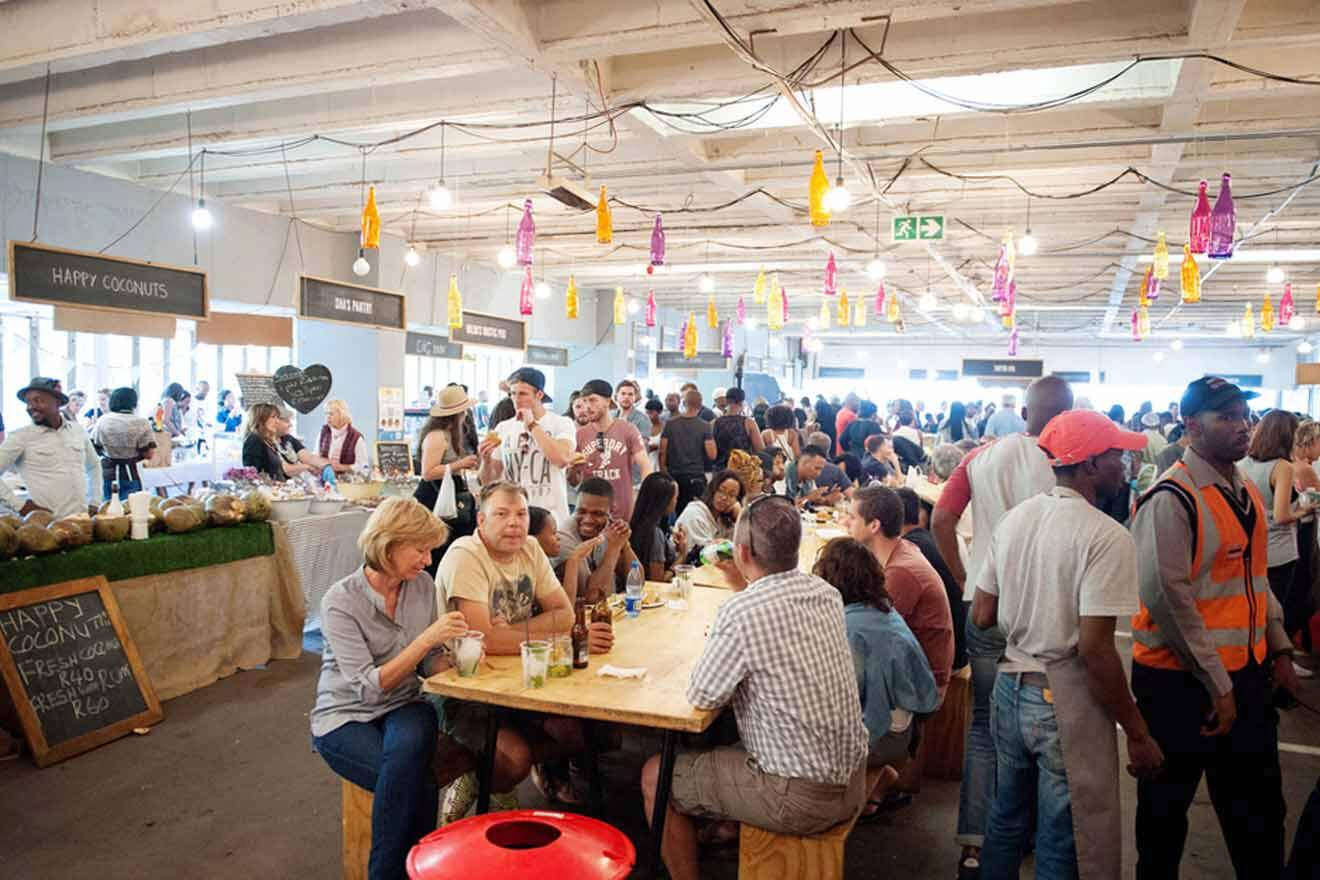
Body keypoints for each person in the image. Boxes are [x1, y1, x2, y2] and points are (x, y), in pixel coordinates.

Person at [970, 410, 1162, 878]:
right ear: (1090, 464)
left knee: (1006, 819)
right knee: (1063, 837)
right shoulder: (1105, 536)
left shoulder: (1015, 520)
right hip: (1062, 699)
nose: (1127, 466)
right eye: (1117, 456)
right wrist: (1137, 732)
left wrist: (1029, 619)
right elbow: (1095, 650)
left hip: (1010, 690)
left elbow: (982, 614)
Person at [639, 495, 869, 880]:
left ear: (741, 550)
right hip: (852, 776)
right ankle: (724, 826)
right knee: (728, 735)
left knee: (655, 774)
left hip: (802, 797)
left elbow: (702, 696)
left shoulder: (742, 612)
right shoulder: (825, 594)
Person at [1130, 377, 1299, 878]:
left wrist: (1281, 651)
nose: (1241, 426)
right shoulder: (1171, 498)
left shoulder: (1244, 488)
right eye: (1226, 417)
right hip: (1179, 686)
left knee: (1261, 817)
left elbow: (1255, 576)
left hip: (1244, 677)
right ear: (1190, 426)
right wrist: (1218, 685)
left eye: (1243, 415)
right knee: (1163, 820)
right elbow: (1169, 601)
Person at [931, 373, 1072, 877]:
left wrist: (964, 577)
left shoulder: (980, 457)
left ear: (1026, 412)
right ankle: (1027, 837)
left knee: (986, 730)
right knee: (1046, 730)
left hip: (984, 606)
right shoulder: (1073, 461)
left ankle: (975, 842)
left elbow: (941, 521)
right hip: (1047, 612)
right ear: (1069, 411)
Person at [311, 498, 469, 880]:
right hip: (344, 716)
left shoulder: (420, 586)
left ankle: (400, 873)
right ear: (388, 544)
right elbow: (368, 689)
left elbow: (427, 660)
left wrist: (456, 663)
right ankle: (403, 873)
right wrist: (426, 640)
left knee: (408, 755)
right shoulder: (340, 601)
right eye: (421, 549)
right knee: (415, 779)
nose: (428, 560)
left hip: (404, 704)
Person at [436, 482, 614, 822]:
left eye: (520, 514)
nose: (515, 523)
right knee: (514, 759)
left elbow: (564, 614)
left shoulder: (531, 548)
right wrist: (543, 639)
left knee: (587, 730)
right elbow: (480, 642)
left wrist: (510, 634)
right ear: (481, 520)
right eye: (502, 514)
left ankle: (487, 780)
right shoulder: (466, 555)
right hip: (465, 685)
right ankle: (485, 786)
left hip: (519, 674)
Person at [812, 537, 940, 820]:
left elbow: (837, 699)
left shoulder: (849, 628)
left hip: (879, 738)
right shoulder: (884, 612)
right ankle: (881, 782)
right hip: (902, 731)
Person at [846, 486, 954, 699]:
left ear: (874, 525)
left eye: (851, 517)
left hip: (924, 686)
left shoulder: (901, 572)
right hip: (914, 669)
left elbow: (872, 635)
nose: (845, 522)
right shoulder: (901, 548)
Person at [1241, 409, 1310, 656]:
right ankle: (1277, 664)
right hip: (1279, 551)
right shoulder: (1282, 467)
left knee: (1254, 610)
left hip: (1250, 548)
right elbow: (1281, 516)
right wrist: (1305, 510)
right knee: (1276, 613)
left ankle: (1262, 661)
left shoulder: (1242, 464)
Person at [478, 368, 576, 527]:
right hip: (514, 519)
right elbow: (489, 482)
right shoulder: (503, 428)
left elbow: (562, 458)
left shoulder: (561, 423)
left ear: (539, 395)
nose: (516, 399)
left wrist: (531, 425)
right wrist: (486, 460)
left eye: (523, 394)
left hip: (551, 519)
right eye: (512, 393)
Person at [0, 377, 101, 517]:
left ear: (57, 402)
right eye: (28, 402)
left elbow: (94, 465)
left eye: (38, 400)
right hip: (45, 528)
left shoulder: (77, 431)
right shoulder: (20, 437)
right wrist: (20, 505)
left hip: (81, 523)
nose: (31, 407)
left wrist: (95, 501)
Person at [897, 488, 967, 671]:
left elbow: (891, 613)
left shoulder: (911, 551)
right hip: (958, 646)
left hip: (946, 660)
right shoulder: (927, 540)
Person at [413, 387, 481, 569]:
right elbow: (428, 472)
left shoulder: (452, 434)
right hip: (437, 497)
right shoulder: (437, 436)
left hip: (448, 495)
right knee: (440, 547)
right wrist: (460, 464)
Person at [572, 379, 651, 520]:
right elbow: (574, 480)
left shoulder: (628, 430)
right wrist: (572, 469)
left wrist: (642, 498)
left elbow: (645, 466)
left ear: (608, 402)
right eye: (584, 401)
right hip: (591, 514)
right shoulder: (580, 435)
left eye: (593, 400)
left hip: (621, 511)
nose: (587, 407)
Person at [552, 477, 636, 603]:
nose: (587, 520)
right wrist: (613, 549)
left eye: (597, 514)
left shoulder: (611, 526)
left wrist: (624, 543)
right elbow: (593, 598)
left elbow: (638, 582)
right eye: (581, 511)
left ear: (611, 511)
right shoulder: (563, 539)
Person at [91, 387, 155, 501]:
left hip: (106, 474)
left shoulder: (103, 420)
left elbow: (93, 447)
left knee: (107, 511)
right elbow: (149, 454)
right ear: (134, 402)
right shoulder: (142, 423)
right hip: (130, 473)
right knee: (131, 510)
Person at [660, 389, 715, 515]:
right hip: (695, 476)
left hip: (674, 475)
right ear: (700, 405)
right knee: (695, 512)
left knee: (675, 511)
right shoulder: (705, 426)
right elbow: (712, 454)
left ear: (684, 403)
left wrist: (663, 470)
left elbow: (662, 451)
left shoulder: (670, 424)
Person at [1290, 421, 1320, 657]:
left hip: (1297, 530)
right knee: (1304, 585)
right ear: (1311, 442)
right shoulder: (1304, 468)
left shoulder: (1291, 464)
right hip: (1304, 531)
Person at [528, 505, 598, 596]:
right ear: (533, 539)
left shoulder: (545, 564)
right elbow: (567, 606)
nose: (559, 538)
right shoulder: (530, 573)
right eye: (553, 533)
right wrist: (574, 559)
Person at [242, 403, 324, 481]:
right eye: (273, 417)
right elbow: (252, 474)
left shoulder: (269, 442)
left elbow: (277, 469)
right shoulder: (254, 440)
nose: (277, 421)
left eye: (277, 417)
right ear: (261, 419)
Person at [630, 472, 687, 582]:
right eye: (675, 498)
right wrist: (682, 556)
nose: (676, 502)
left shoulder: (636, 524)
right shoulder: (655, 534)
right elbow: (658, 580)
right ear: (664, 502)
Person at [674, 468, 743, 560]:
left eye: (731, 495)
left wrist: (740, 516)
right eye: (721, 490)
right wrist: (728, 545)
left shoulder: (725, 517)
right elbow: (706, 556)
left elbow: (743, 546)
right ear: (712, 489)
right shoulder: (695, 513)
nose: (724, 497)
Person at [712, 386, 764, 469]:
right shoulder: (749, 423)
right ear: (741, 402)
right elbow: (760, 450)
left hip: (721, 470)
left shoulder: (714, 423)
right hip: (743, 470)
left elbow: (712, 451)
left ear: (727, 401)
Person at [319, 399, 370, 475]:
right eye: (326, 414)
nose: (328, 417)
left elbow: (364, 467)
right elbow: (315, 456)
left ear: (341, 415)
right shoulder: (323, 432)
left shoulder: (356, 437)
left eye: (331, 414)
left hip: (347, 483)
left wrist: (341, 467)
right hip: (325, 480)